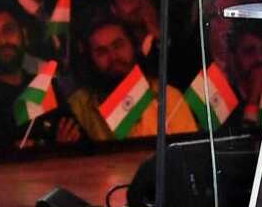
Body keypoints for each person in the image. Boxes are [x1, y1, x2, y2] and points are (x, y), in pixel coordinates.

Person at [0, 0, 81, 153]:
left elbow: (76, 139)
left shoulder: (44, 87)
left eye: (9, 30)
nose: (3, 41)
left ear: (24, 35)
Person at [67, 18, 196, 140]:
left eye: (118, 46)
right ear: (91, 60)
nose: (113, 57)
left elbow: (185, 154)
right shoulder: (80, 105)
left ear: (134, 46)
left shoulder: (166, 96)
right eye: (102, 52)